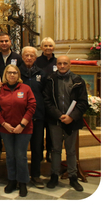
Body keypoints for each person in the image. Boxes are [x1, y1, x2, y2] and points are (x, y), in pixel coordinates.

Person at [43, 55, 87, 191]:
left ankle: (73, 177)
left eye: (65, 63)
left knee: (71, 150)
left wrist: (72, 117)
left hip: (72, 122)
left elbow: (83, 102)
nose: (62, 66)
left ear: (70, 65)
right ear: (57, 64)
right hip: (55, 121)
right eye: (60, 63)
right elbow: (47, 100)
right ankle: (54, 175)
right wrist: (58, 115)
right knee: (55, 149)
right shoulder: (50, 79)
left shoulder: (78, 81)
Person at [0, 64, 36, 197]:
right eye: (9, 73)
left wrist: (22, 125)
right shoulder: (0, 90)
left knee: (21, 156)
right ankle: (11, 180)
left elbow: (32, 106)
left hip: (24, 129)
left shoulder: (25, 88)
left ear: (18, 75)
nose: (12, 75)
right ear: (5, 75)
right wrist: (4, 124)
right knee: (10, 156)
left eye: (15, 73)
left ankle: (22, 182)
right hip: (6, 129)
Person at [19, 46, 48, 188]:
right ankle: (22, 176)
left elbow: (45, 95)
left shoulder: (41, 74)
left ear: (35, 58)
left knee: (37, 147)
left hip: (37, 116)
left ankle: (36, 175)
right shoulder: (16, 73)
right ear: (22, 57)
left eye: (31, 56)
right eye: (26, 55)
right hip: (21, 118)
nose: (29, 58)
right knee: (21, 148)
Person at [0, 33, 21, 160]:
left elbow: (20, 73)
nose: (4, 43)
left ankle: (12, 152)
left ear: (10, 42)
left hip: (14, 92)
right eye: (1, 41)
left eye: (6, 41)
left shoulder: (17, 57)